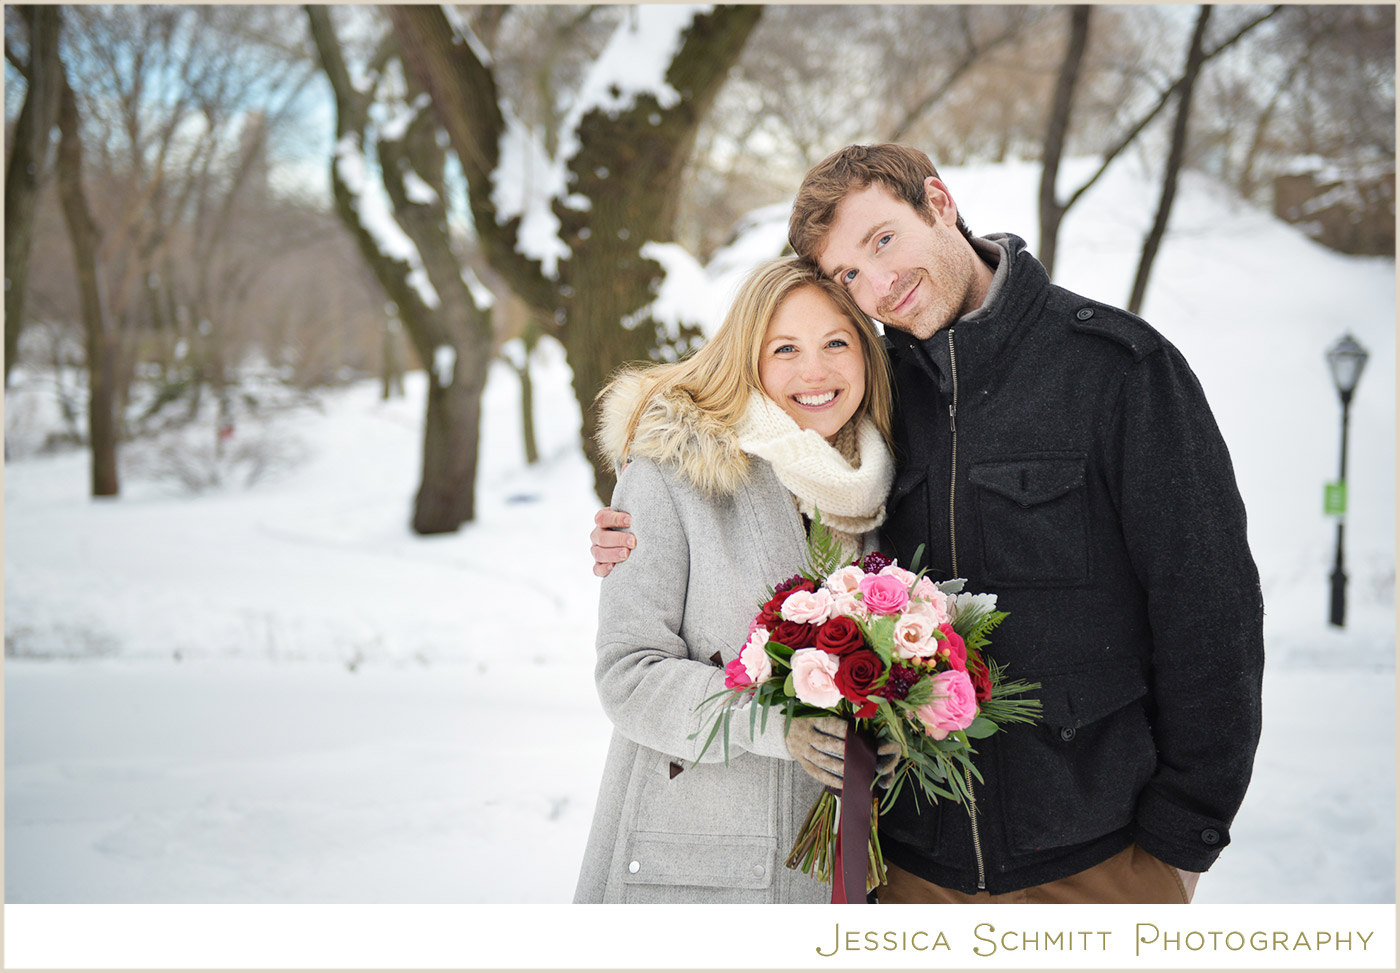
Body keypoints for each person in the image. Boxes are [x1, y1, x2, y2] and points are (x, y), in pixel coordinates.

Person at [590, 143, 1264, 904]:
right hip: (909, 871)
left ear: (939, 204)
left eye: (883, 240)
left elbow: (1212, 613)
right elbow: (750, 455)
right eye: (847, 274)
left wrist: (1182, 844)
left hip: (1095, 859)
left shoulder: (1116, 371)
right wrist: (635, 515)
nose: (877, 283)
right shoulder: (873, 397)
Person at [573, 257, 899, 903]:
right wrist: (776, 725)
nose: (815, 370)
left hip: (836, 878)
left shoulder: (884, 484)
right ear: (748, 357)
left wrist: (889, 730)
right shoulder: (674, 470)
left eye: (837, 341)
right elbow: (628, 673)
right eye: (785, 348)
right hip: (696, 865)